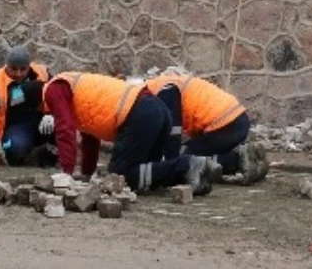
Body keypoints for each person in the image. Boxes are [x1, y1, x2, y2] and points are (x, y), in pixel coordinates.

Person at [42, 72, 222, 195]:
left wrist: (66, 174)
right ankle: (194, 177)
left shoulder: (54, 89)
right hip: (155, 108)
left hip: (140, 113)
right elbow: (90, 137)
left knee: (120, 177)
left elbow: (64, 129)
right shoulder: (77, 92)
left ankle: (187, 164)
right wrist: (87, 174)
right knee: (146, 174)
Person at [146, 69, 268, 185]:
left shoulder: (164, 92)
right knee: (193, 153)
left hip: (225, 124)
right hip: (236, 119)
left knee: (189, 162)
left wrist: (171, 167)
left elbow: (173, 134)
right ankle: (244, 159)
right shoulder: (166, 85)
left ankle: (238, 160)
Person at [0, 46, 55, 166]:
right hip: (15, 126)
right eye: (14, 69)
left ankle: (47, 158)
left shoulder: (42, 74)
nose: (18, 74)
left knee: (65, 128)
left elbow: (59, 96)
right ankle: (19, 157)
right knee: (14, 147)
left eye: (23, 69)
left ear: (29, 66)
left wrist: (52, 114)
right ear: (7, 65)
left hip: (42, 121)